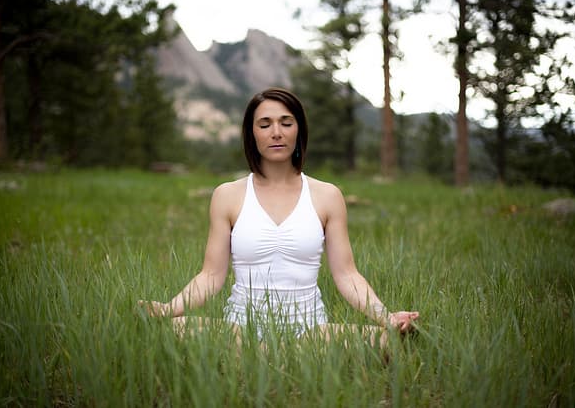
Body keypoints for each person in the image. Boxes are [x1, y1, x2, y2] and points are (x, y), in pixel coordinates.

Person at [139, 87, 418, 345]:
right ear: (252, 134)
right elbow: (211, 275)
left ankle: (276, 356)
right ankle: (270, 355)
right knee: (172, 328)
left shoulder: (328, 195)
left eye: (286, 123)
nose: (276, 132)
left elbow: (347, 274)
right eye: (265, 124)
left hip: (310, 333)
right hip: (239, 330)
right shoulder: (227, 195)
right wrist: (168, 308)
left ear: (298, 131)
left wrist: (387, 318)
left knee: (387, 340)